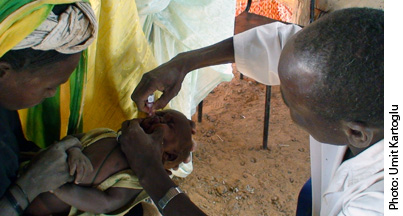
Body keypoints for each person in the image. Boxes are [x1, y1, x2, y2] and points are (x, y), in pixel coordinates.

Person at [124, 7, 384, 216]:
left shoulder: (378, 203)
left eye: (292, 107)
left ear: (355, 133)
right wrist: (183, 63)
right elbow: (279, 43)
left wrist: (150, 172)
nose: (285, 104)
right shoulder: (374, 69)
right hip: (326, 187)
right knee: (311, 197)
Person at [0, 2, 98, 215]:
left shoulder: (5, 105)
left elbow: (17, 148)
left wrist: (63, 151)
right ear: (3, 72)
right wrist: (26, 188)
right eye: (50, 86)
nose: (52, 94)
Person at [25, 109, 195, 216]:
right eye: (161, 114)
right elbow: (74, 139)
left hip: (45, 207)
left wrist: (58, 188)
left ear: (170, 156)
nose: (159, 119)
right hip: (29, 172)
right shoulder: (107, 134)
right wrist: (74, 150)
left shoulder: (135, 179)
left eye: (168, 123)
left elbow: (105, 203)